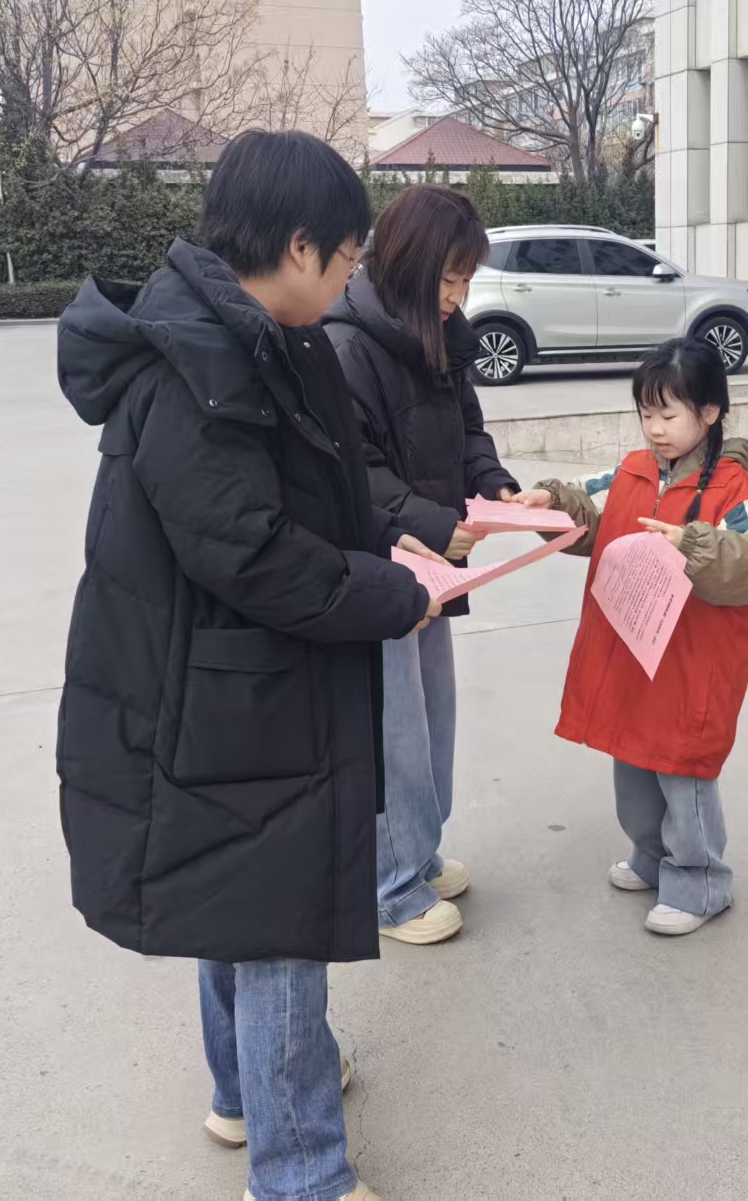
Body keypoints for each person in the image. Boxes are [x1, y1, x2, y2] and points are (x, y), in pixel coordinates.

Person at [55, 130, 444, 1201]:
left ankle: (248, 1091)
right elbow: (252, 552)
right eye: (350, 257)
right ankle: (301, 1172)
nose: (354, 278)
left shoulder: (267, 335)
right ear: (301, 245)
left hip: (246, 690)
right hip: (228, 699)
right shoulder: (197, 363)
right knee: (276, 924)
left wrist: (393, 543)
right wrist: (389, 595)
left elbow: (317, 495)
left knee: (238, 907)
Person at [513, 339, 748, 936]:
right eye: (645, 413)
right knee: (633, 762)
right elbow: (585, 506)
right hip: (634, 655)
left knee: (682, 769)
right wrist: (550, 501)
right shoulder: (632, 472)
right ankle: (652, 855)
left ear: (709, 412)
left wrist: (692, 544)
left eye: (668, 414)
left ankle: (700, 882)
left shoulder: (738, 492)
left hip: (691, 662)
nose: (655, 428)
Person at [322, 185, 520, 945]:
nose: (457, 295)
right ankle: (389, 884)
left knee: (433, 715)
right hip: (384, 566)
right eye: (448, 278)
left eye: (466, 280)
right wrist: (436, 525)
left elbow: (468, 428)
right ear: (406, 264)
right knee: (392, 727)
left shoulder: (438, 334)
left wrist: (497, 486)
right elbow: (356, 475)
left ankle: (419, 850)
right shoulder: (348, 347)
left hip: (435, 566)